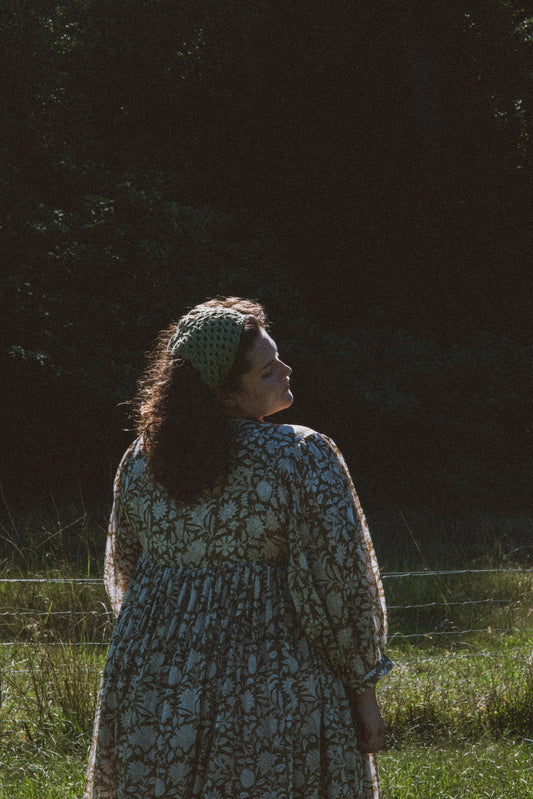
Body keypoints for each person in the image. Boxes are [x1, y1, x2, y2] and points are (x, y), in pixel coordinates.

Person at [84, 296, 393, 799]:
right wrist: (364, 693)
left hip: (155, 690)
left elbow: (124, 575)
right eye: (268, 371)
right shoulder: (300, 456)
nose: (288, 370)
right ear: (226, 395)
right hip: (268, 686)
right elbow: (339, 586)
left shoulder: (142, 459)